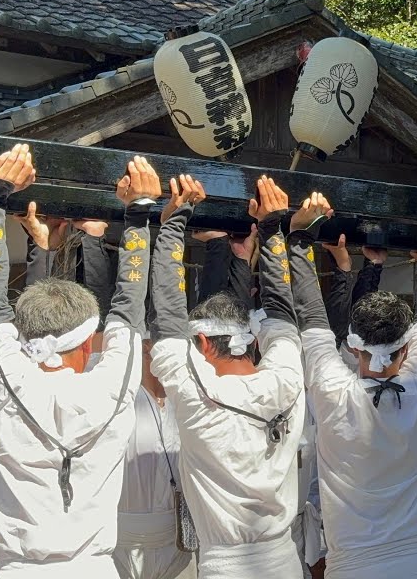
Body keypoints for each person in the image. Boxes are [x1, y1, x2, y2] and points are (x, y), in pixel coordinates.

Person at [0, 144, 154, 576]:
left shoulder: (8, 378)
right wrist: (139, 212)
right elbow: (128, 308)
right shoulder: (110, 385)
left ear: (24, 335)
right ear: (90, 343)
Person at [148, 175, 306, 578]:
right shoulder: (288, 381)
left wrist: (172, 226)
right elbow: (283, 315)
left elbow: (166, 317)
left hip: (227, 565)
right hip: (285, 559)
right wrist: (272, 230)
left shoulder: (198, 397)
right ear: (252, 339)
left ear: (201, 343)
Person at [296, 193, 417, 578]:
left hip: (353, 566)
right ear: (407, 346)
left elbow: (313, 319)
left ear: (352, 345)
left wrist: (297, 236)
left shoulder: (333, 391)